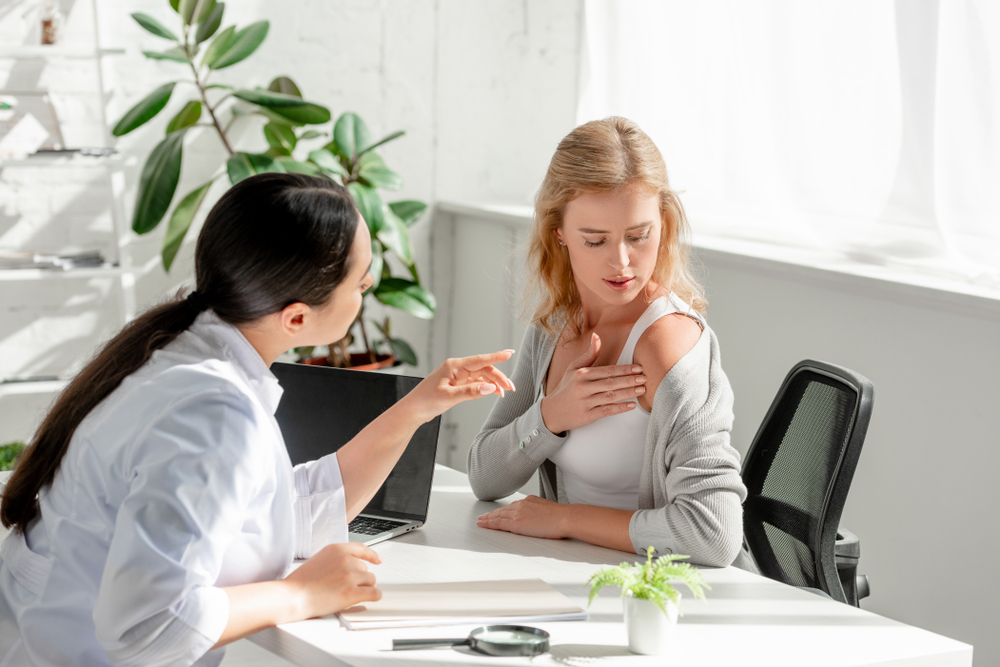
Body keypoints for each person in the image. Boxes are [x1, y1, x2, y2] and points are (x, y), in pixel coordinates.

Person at [0, 173, 515, 667]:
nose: (369, 289)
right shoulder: (211, 411)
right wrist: (298, 593)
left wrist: (417, 407)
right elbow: (147, 630)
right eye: (361, 284)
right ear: (295, 318)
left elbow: (276, 511)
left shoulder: (182, 352)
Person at [468, 117, 748, 568]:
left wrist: (566, 520)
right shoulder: (555, 326)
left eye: (639, 236)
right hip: (569, 573)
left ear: (664, 222)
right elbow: (485, 476)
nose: (622, 262)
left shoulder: (666, 344)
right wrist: (553, 414)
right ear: (559, 233)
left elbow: (713, 534)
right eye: (595, 240)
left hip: (658, 591)